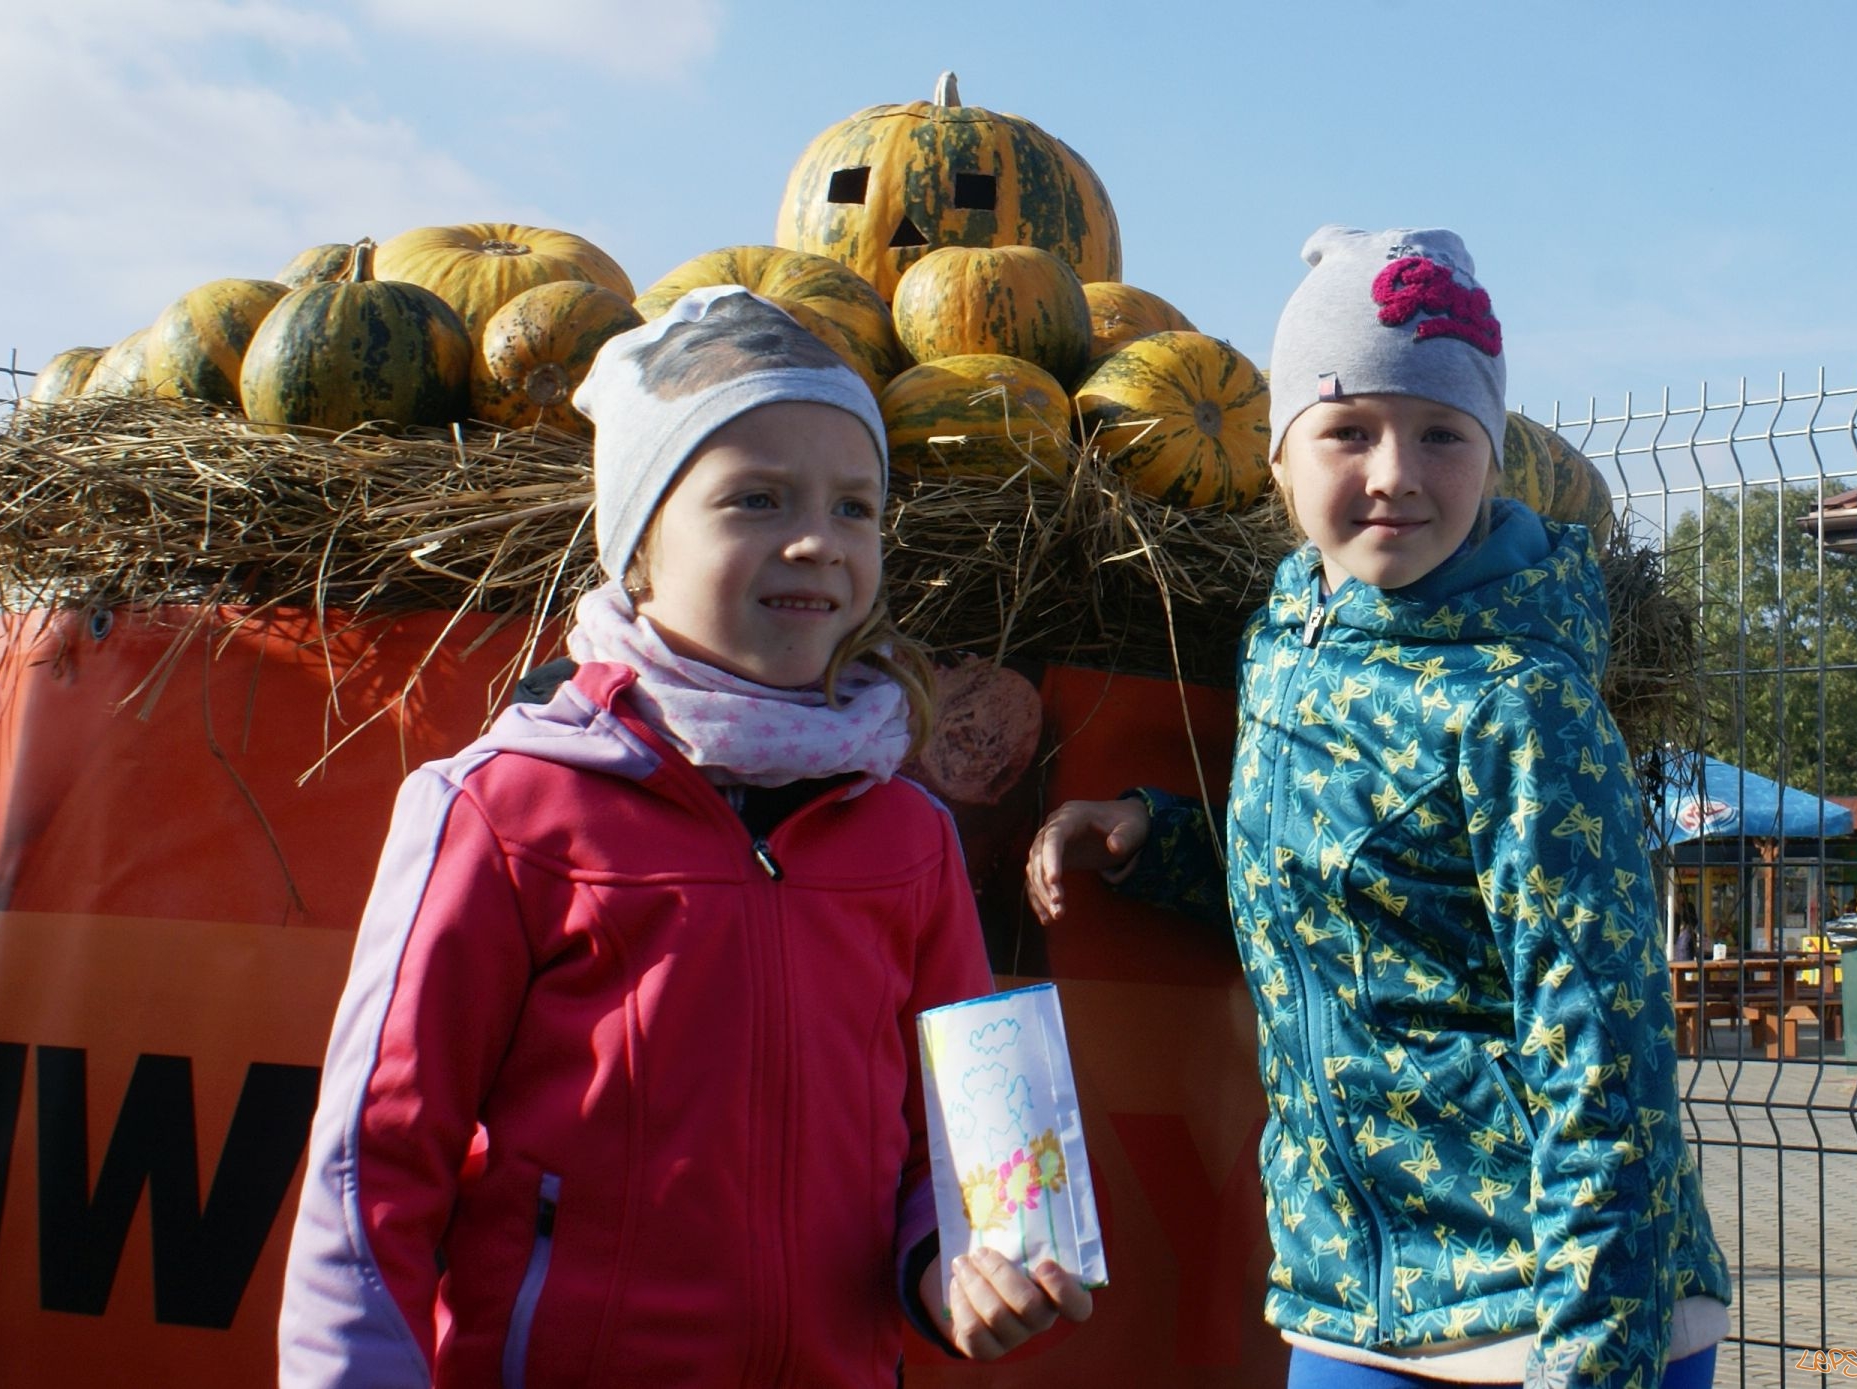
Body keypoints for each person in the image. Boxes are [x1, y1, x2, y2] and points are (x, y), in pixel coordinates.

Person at [279, 286, 1091, 1387]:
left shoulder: (909, 833)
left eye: (855, 508)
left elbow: (956, 1145)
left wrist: (959, 1266)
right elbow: (377, 1158)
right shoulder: (502, 809)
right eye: (756, 500)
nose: (817, 540)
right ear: (641, 551)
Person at [1025, 228, 1729, 1388]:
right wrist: (1163, 842)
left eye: (1443, 434)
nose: (1397, 471)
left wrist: (1597, 1350)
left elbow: (1606, 1052)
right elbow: (1351, 896)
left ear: (1491, 462)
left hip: (1540, 1312)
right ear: (1282, 460)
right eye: (1350, 429)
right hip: (1347, 1295)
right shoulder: (1288, 641)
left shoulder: (1523, 706)